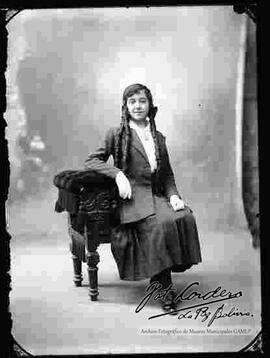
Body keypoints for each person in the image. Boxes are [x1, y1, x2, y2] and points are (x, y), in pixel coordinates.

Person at [84, 83, 202, 314]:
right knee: (159, 225)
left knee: (184, 215)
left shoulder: (158, 137)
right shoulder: (116, 134)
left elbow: (167, 175)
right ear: (125, 107)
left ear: (150, 105)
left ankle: (158, 277)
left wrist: (174, 196)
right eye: (132, 102)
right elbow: (92, 161)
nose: (137, 106)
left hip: (155, 197)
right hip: (130, 201)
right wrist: (117, 174)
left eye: (142, 101)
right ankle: (165, 290)